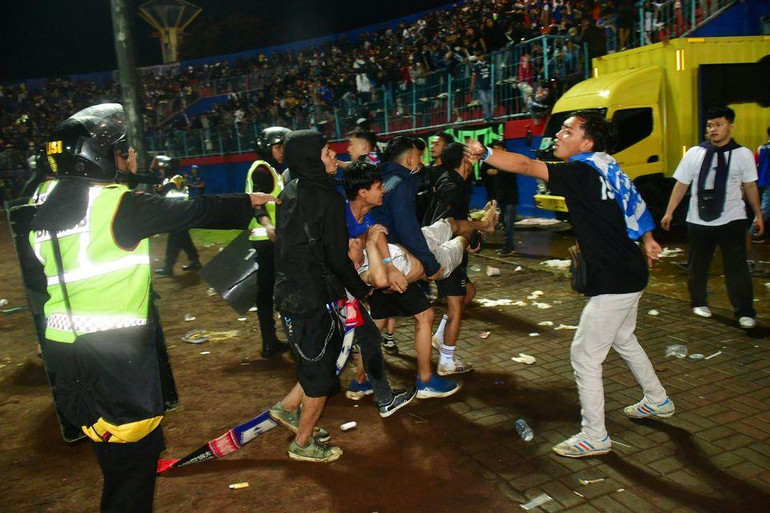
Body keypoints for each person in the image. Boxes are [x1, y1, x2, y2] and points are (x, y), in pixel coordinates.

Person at [27, 103, 279, 511]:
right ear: (100, 158)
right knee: (132, 474)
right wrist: (246, 202)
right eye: (123, 151)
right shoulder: (115, 206)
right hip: (113, 355)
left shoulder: (46, 201)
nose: (130, 158)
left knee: (116, 463)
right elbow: (191, 211)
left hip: (66, 353)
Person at [467, 110, 673, 458]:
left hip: (615, 279)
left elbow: (526, 165)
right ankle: (657, 399)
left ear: (587, 142)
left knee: (584, 356)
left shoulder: (581, 170)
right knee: (623, 338)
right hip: (630, 270)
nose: (559, 136)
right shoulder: (608, 166)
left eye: (567, 130)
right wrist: (648, 238)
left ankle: (595, 436)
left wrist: (485, 153)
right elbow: (634, 202)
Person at [269, 130, 373, 463]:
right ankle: (302, 444)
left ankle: (287, 409)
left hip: (292, 292)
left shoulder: (292, 191)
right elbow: (337, 258)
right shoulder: (325, 198)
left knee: (320, 360)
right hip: (309, 298)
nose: (334, 157)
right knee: (320, 376)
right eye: (328, 152)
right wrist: (362, 290)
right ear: (312, 159)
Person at [369, 136, 461, 398]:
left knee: (376, 322)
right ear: (409, 159)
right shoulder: (400, 185)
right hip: (395, 262)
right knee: (425, 317)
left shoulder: (382, 180)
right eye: (419, 157)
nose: (421, 162)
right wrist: (429, 265)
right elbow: (408, 231)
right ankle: (425, 381)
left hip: (377, 261)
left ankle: (361, 382)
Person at [660, 107, 763, 329]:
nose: (713, 130)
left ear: (731, 126)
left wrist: (758, 215)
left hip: (732, 218)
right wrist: (669, 211)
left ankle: (744, 312)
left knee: (737, 266)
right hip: (698, 219)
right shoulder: (695, 153)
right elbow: (681, 184)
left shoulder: (742, 154)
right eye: (709, 125)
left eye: (718, 124)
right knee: (698, 264)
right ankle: (698, 302)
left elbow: (751, 186)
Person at [423, 143, 480, 376]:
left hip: (453, 252)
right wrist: (470, 236)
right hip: (446, 254)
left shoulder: (458, 182)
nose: (476, 155)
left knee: (469, 293)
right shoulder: (452, 186)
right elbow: (443, 223)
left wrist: (472, 234)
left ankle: (438, 336)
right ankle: (446, 361)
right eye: (471, 153)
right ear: (465, 158)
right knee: (456, 306)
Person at [246, 126, 291, 358]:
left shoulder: (271, 169)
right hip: (267, 241)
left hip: (267, 240)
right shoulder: (263, 170)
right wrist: (268, 224)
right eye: (277, 146)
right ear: (267, 148)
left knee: (267, 291)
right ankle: (271, 340)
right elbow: (258, 203)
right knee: (272, 291)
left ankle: (270, 340)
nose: (282, 151)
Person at [154, 158, 202, 275]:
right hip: (178, 213)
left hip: (179, 213)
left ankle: (168, 266)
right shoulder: (171, 179)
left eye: (164, 169)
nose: (162, 171)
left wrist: (158, 185)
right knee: (184, 239)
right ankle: (194, 261)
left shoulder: (177, 178)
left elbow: (164, 190)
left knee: (174, 240)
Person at [489, 140, 519, 255]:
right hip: (502, 199)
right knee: (504, 224)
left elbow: (510, 174)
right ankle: (508, 246)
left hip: (510, 199)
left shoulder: (509, 161)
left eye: (498, 149)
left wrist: (497, 172)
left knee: (508, 224)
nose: (496, 151)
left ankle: (508, 248)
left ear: (504, 149)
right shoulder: (496, 163)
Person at [754, 126, 770, 243]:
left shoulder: (761, 148)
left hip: (761, 182)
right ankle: (752, 233)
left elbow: (754, 164)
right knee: (764, 210)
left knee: (763, 209)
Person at [470, 50, 493, 122]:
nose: (480, 57)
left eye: (481, 55)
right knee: (485, 101)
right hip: (481, 87)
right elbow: (473, 76)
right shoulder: (476, 66)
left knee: (490, 101)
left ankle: (488, 116)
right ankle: (487, 118)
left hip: (489, 85)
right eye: (478, 56)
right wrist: (472, 85)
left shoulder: (488, 63)